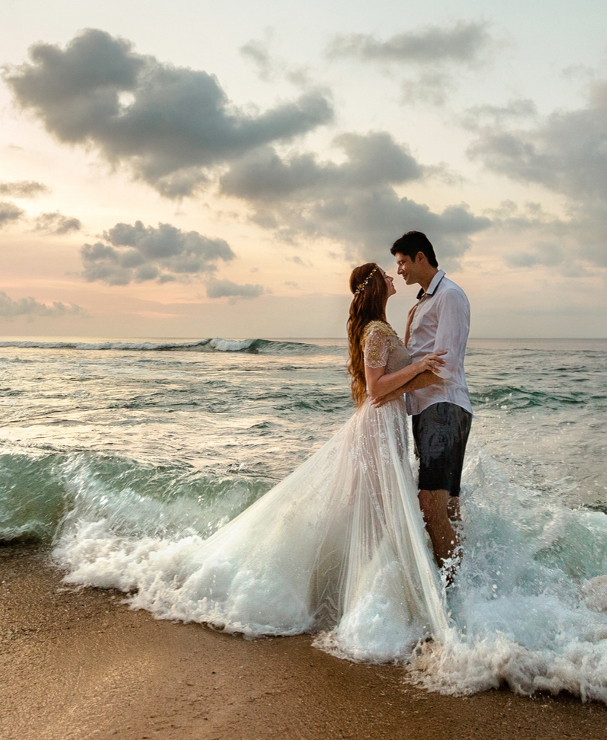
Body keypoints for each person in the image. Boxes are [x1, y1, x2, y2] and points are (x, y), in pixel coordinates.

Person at [94, 262, 451, 661]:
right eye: (385, 274)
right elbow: (375, 388)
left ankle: (367, 595)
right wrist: (421, 366)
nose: (391, 276)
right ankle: (369, 605)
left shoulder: (381, 328)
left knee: (377, 508)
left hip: (388, 426)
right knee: (378, 509)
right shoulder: (374, 331)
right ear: (374, 287)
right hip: (378, 427)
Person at [389, 231, 472, 572]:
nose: (399, 271)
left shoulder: (449, 296)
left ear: (421, 257)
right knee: (447, 508)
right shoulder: (423, 302)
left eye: (403, 262)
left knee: (430, 507)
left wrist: (391, 391)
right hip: (426, 409)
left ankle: (452, 594)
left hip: (444, 407)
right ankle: (466, 586)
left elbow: (445, 367)